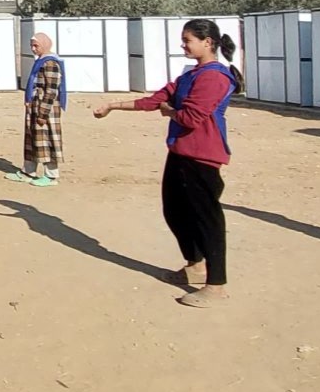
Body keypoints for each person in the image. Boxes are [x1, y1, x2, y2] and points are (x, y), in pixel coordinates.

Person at [92, 19, 241, 308]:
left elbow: (190, 117)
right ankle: (195, 264)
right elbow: (155, 100)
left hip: (202, 156)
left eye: (188, 40)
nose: (183, 45)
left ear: (207, 42)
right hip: (180, 152)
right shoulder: (191, 75)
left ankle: (216, 284)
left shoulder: (215, 77)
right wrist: (113, 106)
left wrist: (169, 111)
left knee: (207, 218)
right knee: (174, 210)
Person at [7, 32, 66, 187]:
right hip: (35, 105)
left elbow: (52, 90)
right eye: (32, 45)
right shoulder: (40, 61)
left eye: (36, 45)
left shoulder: (51, 63)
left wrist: (43, 113)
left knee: (47, 139)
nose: (33, 49)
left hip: (45, 107)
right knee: (33, 139)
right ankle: (28, 171)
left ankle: (51, 175)